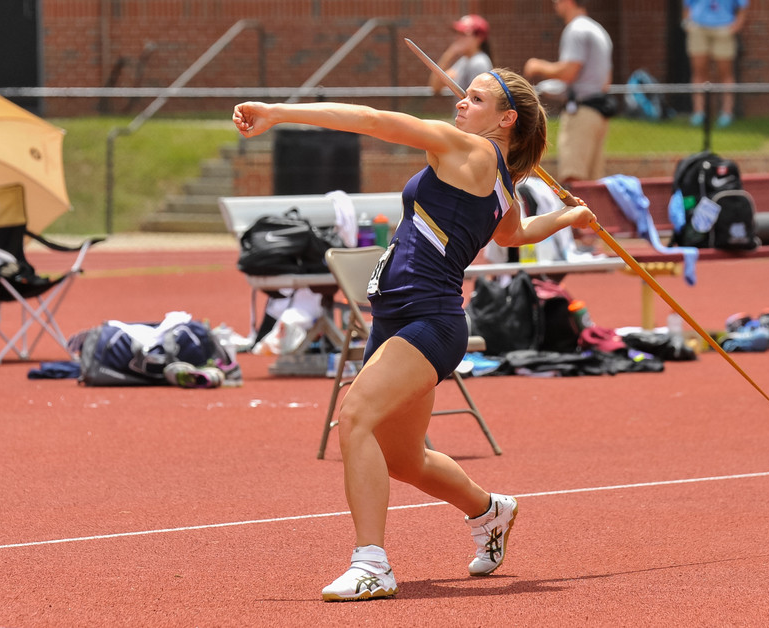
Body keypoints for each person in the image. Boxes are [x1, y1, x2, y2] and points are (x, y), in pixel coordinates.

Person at [233, 69, 597, 602]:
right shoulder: (502, 186)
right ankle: (489, 510)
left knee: (354, 417)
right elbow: (514, 234)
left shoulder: (463, 149)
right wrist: (569, 216)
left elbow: (375, 121)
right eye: (463, 95)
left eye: (474, 98)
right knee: (405, 460)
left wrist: (279, 112)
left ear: (506, 118)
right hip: (395, 319)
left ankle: (371, 563)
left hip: (430, 320)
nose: (459, 103)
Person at [523, 0, 613, 185]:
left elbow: (569, 72)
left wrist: (537, 66)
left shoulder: (575, 29)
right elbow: (605, 81)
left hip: (581, 113)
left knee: (574, 181)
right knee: (593, 184)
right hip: (597, 113)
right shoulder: (598, 30)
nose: (554, 4)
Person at [682, 0, 749, 128]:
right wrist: (688, 24)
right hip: (698, 27)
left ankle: (727, 113)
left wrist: (736, 26)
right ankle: (699, 113)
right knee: (699, 72)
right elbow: (687, 6)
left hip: (724, 28)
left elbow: (742, 8)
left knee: (725, 73)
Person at [430, 14, 493, 92]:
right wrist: (448, 55)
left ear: (479, 38)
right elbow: (436, 86)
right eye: (458, 33)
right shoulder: (464, 60)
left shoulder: (479, 62)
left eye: (464, 34)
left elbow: (477, 98)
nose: (458, 37)